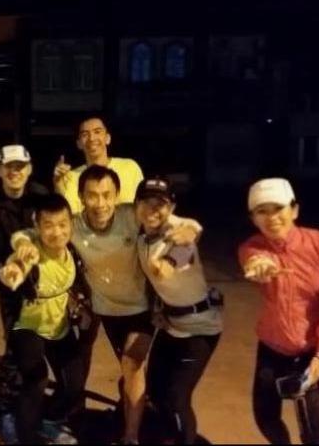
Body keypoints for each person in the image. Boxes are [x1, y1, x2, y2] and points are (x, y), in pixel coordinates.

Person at [12, 165, 201, 444]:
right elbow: (30, 233)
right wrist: (21, 244)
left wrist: (190, 230)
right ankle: (83, 412)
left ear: (117, 196)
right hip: (105, 310)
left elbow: (180, 223)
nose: (100, 203)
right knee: (102, 367)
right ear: (81, 197)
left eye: (106, 195)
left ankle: (130, 436)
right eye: (92, 195)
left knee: (132, 363)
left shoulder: (131, 216)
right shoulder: (73, 226)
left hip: (140, 308)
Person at [238, 178, 319, 445]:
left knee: (313, 418)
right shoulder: (251, 247)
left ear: (294, 210)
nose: (271, 217)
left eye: (278, 208)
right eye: (262, 211)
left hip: (318, 344)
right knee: (264, 415)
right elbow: (254, 261)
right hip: (273, 344)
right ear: (253, 218)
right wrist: (259, 266)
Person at [133, 177, 223, 444]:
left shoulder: (178, 235)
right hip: (171, 324)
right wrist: (159, 307)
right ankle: (168, 436)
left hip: (200, 327)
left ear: (171, 208)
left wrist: (168, 263)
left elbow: (187, 239)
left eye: (160, 204)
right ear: (136, 206)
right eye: (146, 202)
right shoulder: (141, 234)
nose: (153, 209)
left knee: (177, 398)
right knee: (155, 389)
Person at [0, 194, 93, 444]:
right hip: (28, 326)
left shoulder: (73, 250)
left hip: (59, 326)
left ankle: (50, 420)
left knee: (75, 383)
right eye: (48, 225)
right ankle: (26, 435)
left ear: (71, 223)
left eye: (62, 224)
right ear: (37, 225)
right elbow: (16, 264)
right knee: (36, 378)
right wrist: (11, 272)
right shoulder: (31, 251)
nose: (57, 232)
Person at [0, 144, 49, 444]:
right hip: (11, 286)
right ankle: (6, 412)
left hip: (45, 286)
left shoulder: (41, 197)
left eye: (20, 166)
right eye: (9, 166)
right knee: (14, 352)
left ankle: (45, 412)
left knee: (43, 353)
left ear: (29, 168)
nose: (15, 172)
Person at [54, 115, 144, 214]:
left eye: (97, 132)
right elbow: (69, 215)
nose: (92, 138)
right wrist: (58, 185)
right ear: (79, 143)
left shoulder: (130, 167)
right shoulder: (70, 177)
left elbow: (142, 205)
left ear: (108, 138)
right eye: (85, 134)